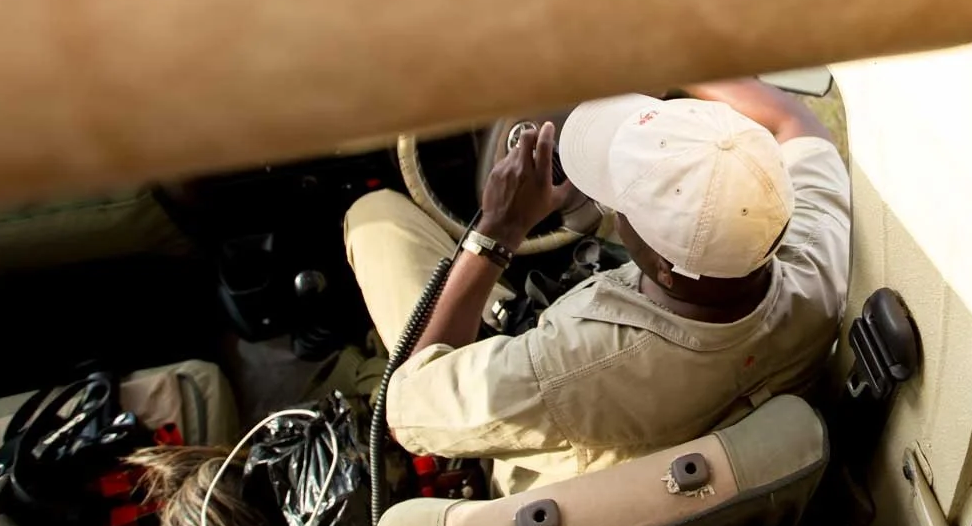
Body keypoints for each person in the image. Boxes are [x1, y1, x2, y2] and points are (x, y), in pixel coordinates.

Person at [341, 80, 850, 497]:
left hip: (536, 447)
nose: (611, 207)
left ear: (664, 268)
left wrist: (498, 233)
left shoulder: (570, 366)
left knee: (375, 217)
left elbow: (406, 409)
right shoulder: (814, 259)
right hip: (639, 415)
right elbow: (797, 123)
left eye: (619, 200)